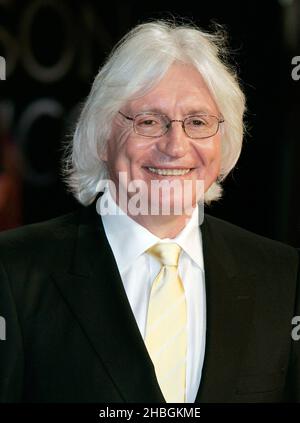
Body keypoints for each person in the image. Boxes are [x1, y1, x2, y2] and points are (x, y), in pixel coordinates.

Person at [0, 19, 299, 404]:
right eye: (149, 121)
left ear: (224, 139)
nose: (176, 146)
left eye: (197, 122)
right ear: (102, 134)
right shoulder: (13, 271)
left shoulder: (282, 276)